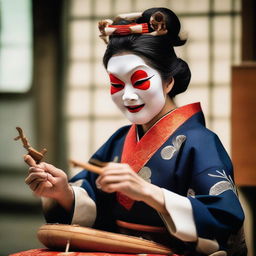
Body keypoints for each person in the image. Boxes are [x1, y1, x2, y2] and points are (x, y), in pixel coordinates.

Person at [24, 7, 247, 256]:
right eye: (117, 84)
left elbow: (224, 217)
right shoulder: (120, 139)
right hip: (117, 249)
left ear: (168, 81)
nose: (128, 95)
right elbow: (93, 197)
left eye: (139, 81)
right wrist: (63, 193)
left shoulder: (200, 142)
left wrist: (148, 192)